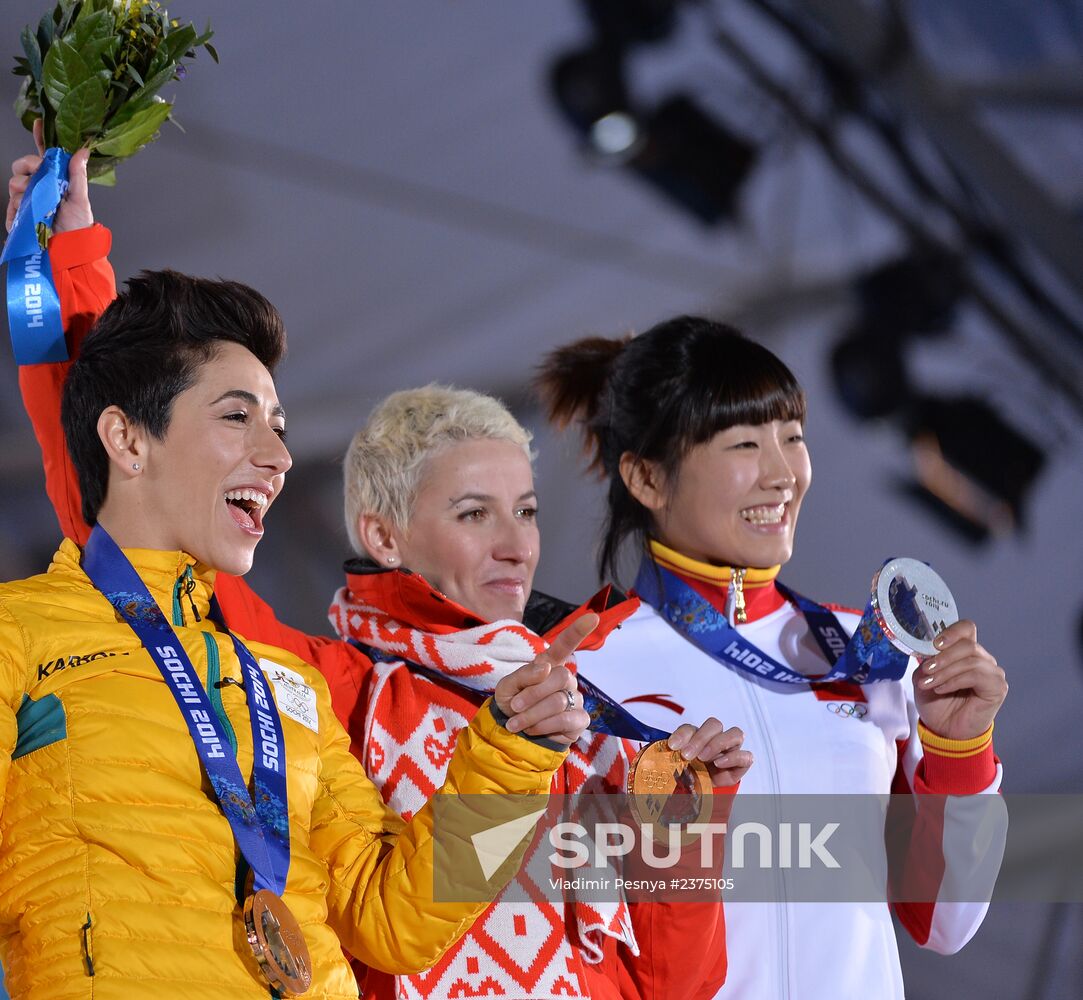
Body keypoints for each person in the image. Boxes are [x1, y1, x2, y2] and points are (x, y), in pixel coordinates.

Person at [7, 146, 750, 999]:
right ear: (381, 535)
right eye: (473, 512)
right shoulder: (333, 679)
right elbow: (118, 512)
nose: (516, 544)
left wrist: (676, 833)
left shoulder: (571, 717)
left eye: (529, 510)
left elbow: (670, 984)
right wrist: (64, 274)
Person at [535, 316, 1009, 1000]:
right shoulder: (580, 667)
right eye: (744, 444)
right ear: (644, 478)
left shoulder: (868, 652)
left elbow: (942, 922)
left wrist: (959, 747)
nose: (782, 473)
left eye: (792, 437)